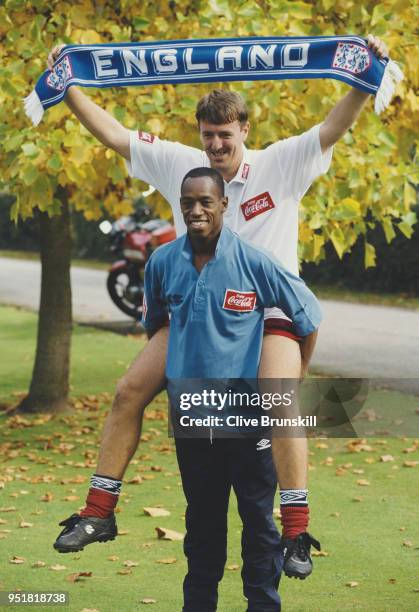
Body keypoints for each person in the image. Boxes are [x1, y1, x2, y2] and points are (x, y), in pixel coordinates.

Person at [50, 35, 389, 574]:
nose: (216, 147)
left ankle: (296, 534)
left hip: (267, 312)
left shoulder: (282, 162)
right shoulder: (182, 166)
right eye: (208, 136)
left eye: (225, 136)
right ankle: (99, 511)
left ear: (244, 131)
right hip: (199, 310)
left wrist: (365, 73)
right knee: (127, 392)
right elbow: (115, 134)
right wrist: (66, 87)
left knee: (279, 403)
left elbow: (333, 126)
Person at [145, 167, 322, 611]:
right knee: (202, 530)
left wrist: (296, 372)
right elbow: (156, 328)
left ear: (224, 205)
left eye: (206, 201)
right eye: (188, 202)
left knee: (259, 526)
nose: (196, 209)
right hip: (194, 422)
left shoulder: (254, 262)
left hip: (248, 424)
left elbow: (309, 317)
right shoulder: (162, 262)